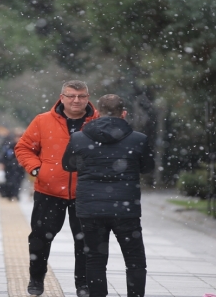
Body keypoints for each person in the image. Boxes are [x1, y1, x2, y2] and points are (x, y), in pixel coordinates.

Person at [62, 94, 155, 297]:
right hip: (126, 209)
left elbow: (67, 165)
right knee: (135, 259)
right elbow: (147, 168)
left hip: (90, 208)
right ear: (124, 114)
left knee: (95, 258)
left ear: (97, 114)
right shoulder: (138, 139)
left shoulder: (79, 138)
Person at [15, 80, 99, 297]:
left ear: (88, 97)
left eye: (81, 96)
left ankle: (83, 284)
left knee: (86, 241)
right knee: (40, 238)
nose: (76, 100)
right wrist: (36, 170)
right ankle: (36, 278)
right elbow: (24, 147)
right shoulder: (43, 121)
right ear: (61, 97)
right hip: (49, 191)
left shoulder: (98, 122)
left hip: (86, 193)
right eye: (71, 96)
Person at [0, 132, 25, 200]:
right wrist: (2, 163)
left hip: (19, 168)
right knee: (10, 182)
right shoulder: (10, 146)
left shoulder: (24, 147)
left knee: (18, 182)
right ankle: (9, 195)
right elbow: (4, 156)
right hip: (9, 167)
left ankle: (15, 195)